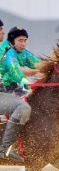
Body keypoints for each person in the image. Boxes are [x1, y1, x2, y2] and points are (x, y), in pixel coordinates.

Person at [0, 26, 38, 162]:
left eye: (25, 40)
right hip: (7, 89)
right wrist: (25, 82)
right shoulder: (7, 52)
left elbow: (38, 64)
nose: (23, 43)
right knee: (23, 106)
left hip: (12, 88)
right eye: (20, 40)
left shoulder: (22, 52)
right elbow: (14, 70)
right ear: (12, 40)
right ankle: (8, 149)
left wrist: (53, 65)